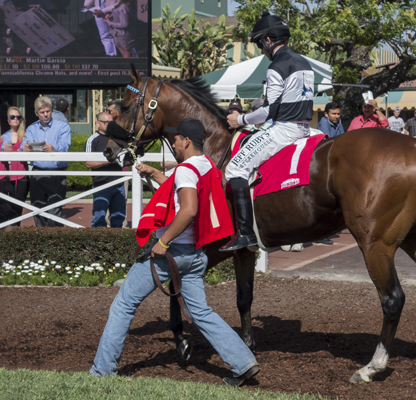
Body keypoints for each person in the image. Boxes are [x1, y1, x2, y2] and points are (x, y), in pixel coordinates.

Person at [90, 118, 259, 386]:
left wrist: (164, 241)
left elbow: (189, 209)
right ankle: (244, 362)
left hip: (172, 254)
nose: (174, 144)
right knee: (202, 313)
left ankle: (102, 372)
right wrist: (155, 174)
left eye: (176, 140)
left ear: (187, 141)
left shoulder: (185, 170)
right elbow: (186, 192)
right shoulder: (208, 166)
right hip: (196, 255)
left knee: (123, 305)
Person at [221, 11, 314, 252]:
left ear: (269, 41)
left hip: (285, 129)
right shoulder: (304, 62)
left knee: (234, 168)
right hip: (306, 129)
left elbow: (268, 112)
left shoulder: (276, 66)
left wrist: (239, 119)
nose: (261, 49)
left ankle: (246, 233)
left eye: (261, 44)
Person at [22, 96, 71, 227]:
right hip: (38, 173)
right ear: (36, 113)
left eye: (48, 111)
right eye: (42, 112)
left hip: (57, 173)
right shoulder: (32, 128)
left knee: (55, 211)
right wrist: (25, 148)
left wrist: (55, 148)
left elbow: (65, 145)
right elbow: (24, 145)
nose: (45, 115)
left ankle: (55, 242)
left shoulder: (62, 126)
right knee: (37, 209)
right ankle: (42, 240)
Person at [85, 112, 126, 228]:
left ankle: (118, 244)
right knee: (99, 218)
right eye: (106, 122)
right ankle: (98, 244)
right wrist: (109, 160)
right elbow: (88, 163)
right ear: (98, 123)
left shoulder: (118, 139)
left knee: (119, 218)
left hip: (118, 184)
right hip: (101, 184)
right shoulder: (92, 140)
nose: (110, 125)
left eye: (111, 123)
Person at [0, 107, 29, 226]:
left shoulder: (26, 136)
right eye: (12, 117)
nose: (15, 119)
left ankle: (15, 238)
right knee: (4, 210)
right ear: (8, 120)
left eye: (18, 117)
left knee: (17, 209)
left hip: (21, 176)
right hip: (5, 177)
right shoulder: (2, 138)